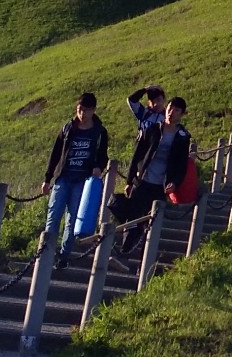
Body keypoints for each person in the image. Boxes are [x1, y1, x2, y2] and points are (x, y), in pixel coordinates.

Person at [114, 95, 193, 255]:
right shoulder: (153, 129)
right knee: (133, 217)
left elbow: (181, 164)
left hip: (161, 186)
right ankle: (125, 251)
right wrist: (130, 180)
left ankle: (143, 258)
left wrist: (175, 183)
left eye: (176, 110)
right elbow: (138, 154)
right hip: (143, 180)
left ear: (182, 114)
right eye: (170, 108)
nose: (171, 112)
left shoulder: (183, 137)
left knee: (151, 222)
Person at [41, 93, 109, 251]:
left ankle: (64, 254)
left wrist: (99, 167)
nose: (82, 114)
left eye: (86, 110)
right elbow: (56, 153)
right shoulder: (68, 128)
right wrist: (47, 178)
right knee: (53, 216)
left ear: (93, 111)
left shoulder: (100, 132)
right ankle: (46, 253)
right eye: (80, 109)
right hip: (63, 178)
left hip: (82, 181)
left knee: (72, 220)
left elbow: (103, 155)